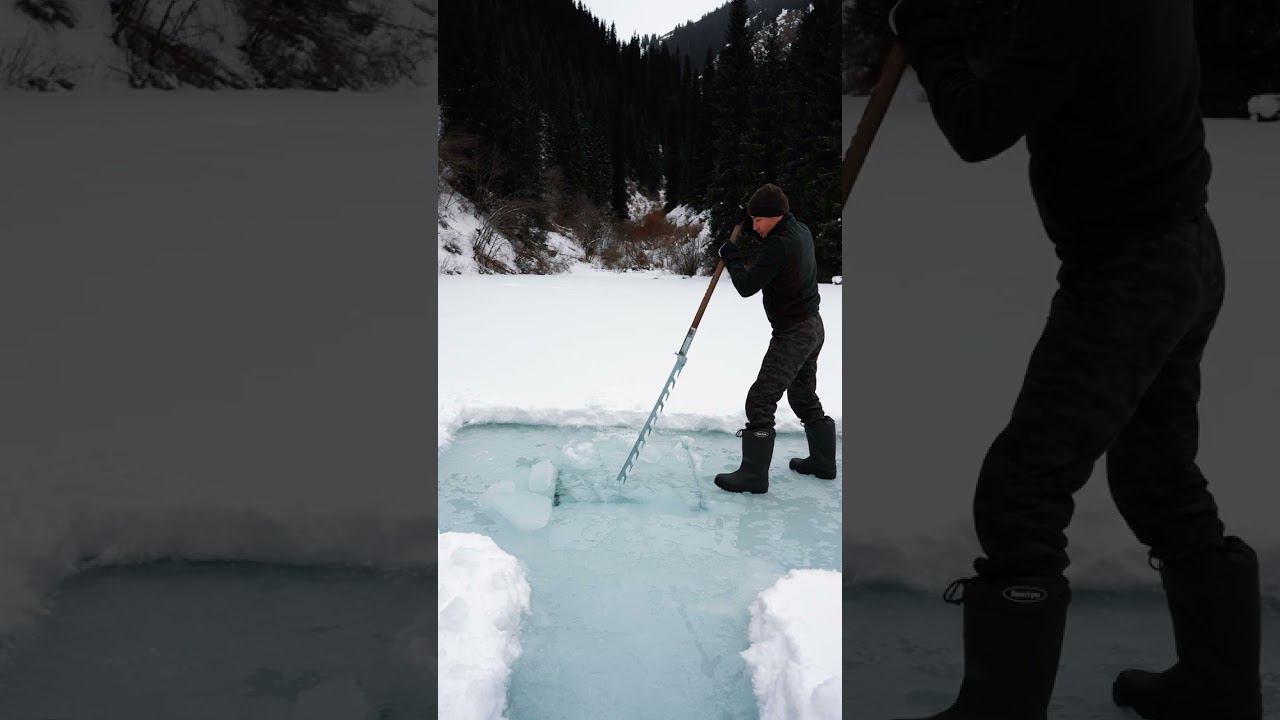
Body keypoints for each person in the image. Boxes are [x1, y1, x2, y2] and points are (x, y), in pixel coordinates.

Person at [886, 0, 1262, 718]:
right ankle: (1219, 686)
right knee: (1156, 476)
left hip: (1131, 271)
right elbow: (1050, 62)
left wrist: (925, 28)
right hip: (1183, 248)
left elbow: (978, 125)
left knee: (1022, 490)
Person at [712, 183, 837, 494]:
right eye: (752, 220)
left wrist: (732, 257)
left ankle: (753, 476)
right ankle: (823, 463)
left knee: (760, 400)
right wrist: (752, 218)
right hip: (813, 326)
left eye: (759, 220)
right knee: (803, 396)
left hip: (793, 333)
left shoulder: (778, 246)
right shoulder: (800, 230)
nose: (755, 226)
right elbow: (771, 242)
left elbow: (746, 286)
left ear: (776, 216)